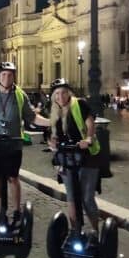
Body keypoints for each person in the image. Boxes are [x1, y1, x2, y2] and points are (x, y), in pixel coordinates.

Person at [0, 62, 50, 228]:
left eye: (10, 75)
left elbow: (32, 117)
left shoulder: (20, 95)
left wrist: (51, 122)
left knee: (13, 177)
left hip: (13, 144)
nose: (6, 78)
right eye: (3, 75)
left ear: (14, 76)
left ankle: (16, 212)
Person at [46, 78, 103, 241]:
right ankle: (75, 231)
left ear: (69, 93)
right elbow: (50, 134)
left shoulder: (80, 104)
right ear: (53, 96)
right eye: (57, 93)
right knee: (71, 197)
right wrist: (52, 143)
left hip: (87, 156)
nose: (61, 96)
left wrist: (88, 139)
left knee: (86, 198)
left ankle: (95, 232)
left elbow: (90, 124)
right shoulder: (53, 111)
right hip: (66, 158)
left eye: (64, 92)